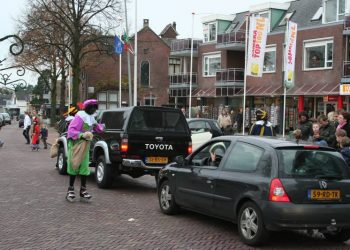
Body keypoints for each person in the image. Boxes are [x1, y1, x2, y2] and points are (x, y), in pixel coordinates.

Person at [66, 99, 104, 202]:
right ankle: (70, 190)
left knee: (84, 166)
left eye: (95, 108)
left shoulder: (92, 118)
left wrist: (99, 126)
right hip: (75, 144)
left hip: (85, 145)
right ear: (87, 108)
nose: (93, 110)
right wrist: (81, 135)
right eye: (92, 108)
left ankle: (83, 190)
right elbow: (71, 130)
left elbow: (98, 129)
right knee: (74, 165)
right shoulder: (80, 117)